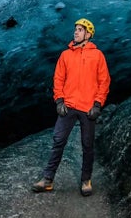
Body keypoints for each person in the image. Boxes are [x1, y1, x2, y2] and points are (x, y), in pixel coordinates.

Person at [32, 18, 110, 197]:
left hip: (88, 107)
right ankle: (48, 180)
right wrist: (59, 101)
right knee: (58, 140)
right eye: (75, 29)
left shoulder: (97, 55)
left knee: (87, 145)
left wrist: (98, 104)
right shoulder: (65, 55)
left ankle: (86, 180)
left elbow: (104, 81)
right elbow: (58, 79)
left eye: (81, 30)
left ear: (88, 34)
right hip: (68, 106)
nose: (76, 32)